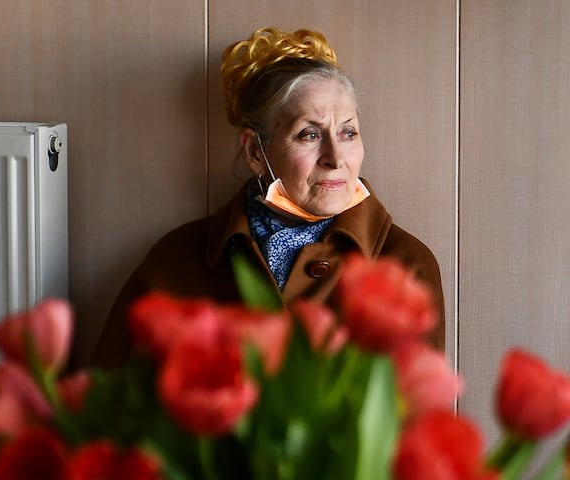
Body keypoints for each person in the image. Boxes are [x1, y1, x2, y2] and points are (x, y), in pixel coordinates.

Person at [88, 27, 445, 368]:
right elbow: (107, 408)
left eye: (348, 133)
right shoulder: (177, 260)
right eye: (309, 135)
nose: (336, 158)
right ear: (255, 152)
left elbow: (420, 421)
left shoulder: (405, 267)